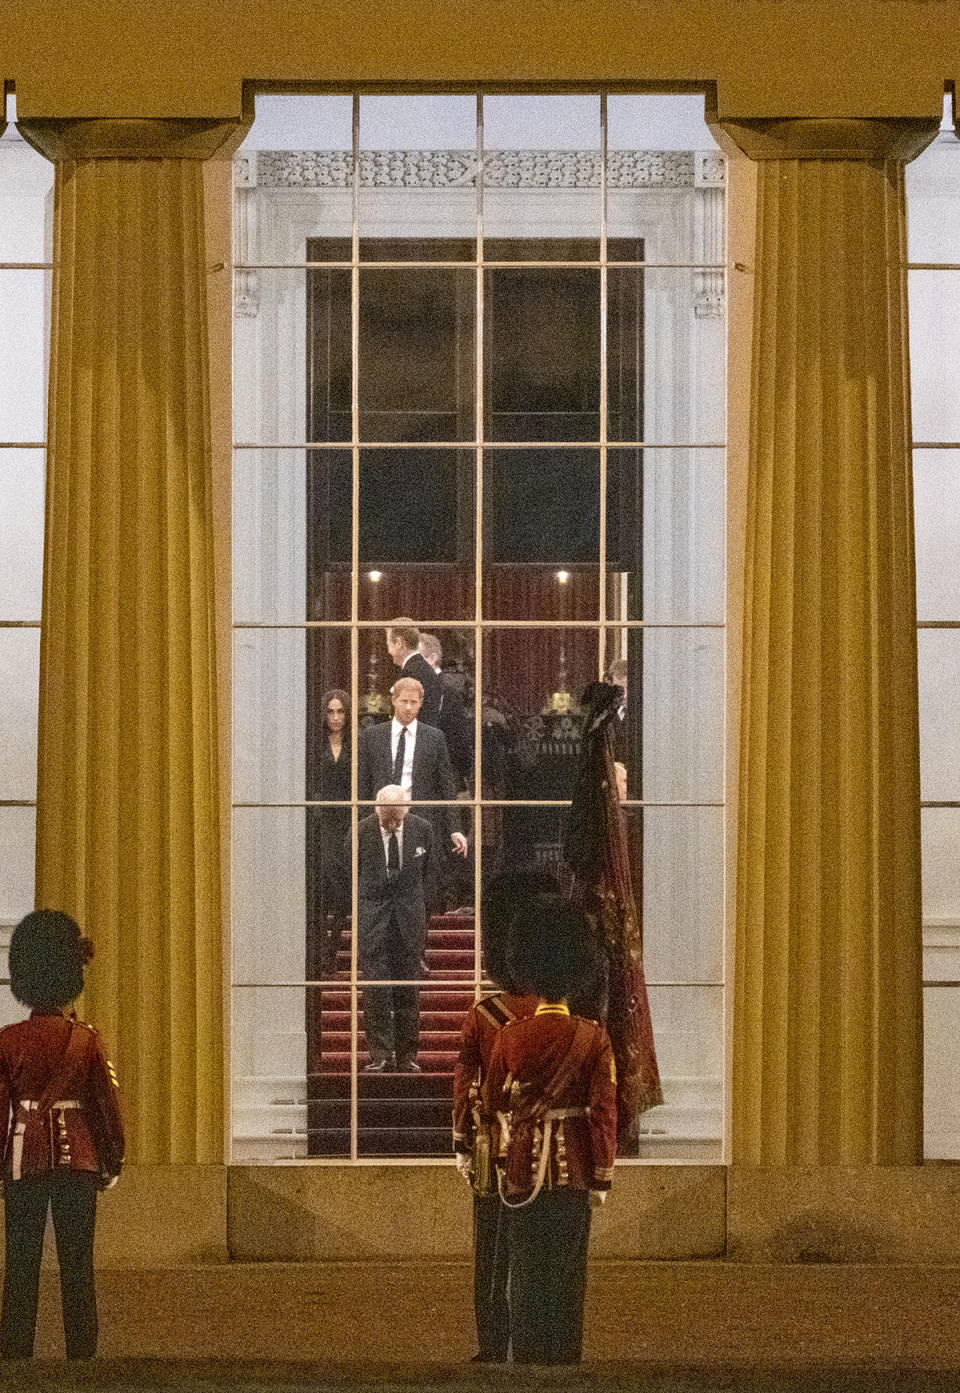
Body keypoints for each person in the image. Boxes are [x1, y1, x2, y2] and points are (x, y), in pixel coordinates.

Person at [482, 895, 616, 1366]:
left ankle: (530, 1351)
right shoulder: (593, 1038)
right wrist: (602, 1175)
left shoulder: (509, 1036)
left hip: (520, 1168)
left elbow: (493, 1100)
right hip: (576, 1169)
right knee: (567, 1270)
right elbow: (603, 1113)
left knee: (527, 1268)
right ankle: (564, 1352)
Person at [0, 910, 124, 1361]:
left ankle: (14, 1355)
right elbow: (106, 1110)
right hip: (80, 1163)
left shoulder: (7, 1041)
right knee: (77, 1267)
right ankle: (82, 1356)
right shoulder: (85, 1040)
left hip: (22, 1160)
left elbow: (0, 1114)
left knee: (20, 1266)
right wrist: (113, 1161)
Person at [452, 869, 559, 1364]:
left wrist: (459, 1138)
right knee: (541, 1253)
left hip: (494, 1149)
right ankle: (537, 1338)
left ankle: (493, 1342)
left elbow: (468, 1086)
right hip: (551, 1154)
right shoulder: (562, 1019)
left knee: (491, 1251)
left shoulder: (484, 1016)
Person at [354, 785, 435, 1073]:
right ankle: (380, 1056)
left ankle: (406, 1056)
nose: (390, 825)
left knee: (407, 992)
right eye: (385, 819)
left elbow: (430, 874)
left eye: (396, 820)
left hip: (408, 921)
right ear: (376, 811)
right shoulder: (360, 832)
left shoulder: (423, 830)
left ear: (406, 810)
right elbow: (348, 875)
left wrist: (419, 911)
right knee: (375, 991)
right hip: (373, 921)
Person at [357, 675, 468, 864]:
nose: (408, 707)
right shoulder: (372, 736)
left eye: (413, 702)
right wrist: (360, 824)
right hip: (380, 821)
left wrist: (454, 828)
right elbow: (362, 782)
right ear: (394, 701)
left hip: (420, 821)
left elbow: (446, 786)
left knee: (418, 881)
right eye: (404, 701)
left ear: (421, 703)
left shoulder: (434, 738)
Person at [309, 688, 352, 975]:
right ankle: (321, 951)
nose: (335, 718)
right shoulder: (314, 745)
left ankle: (332, 950)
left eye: (340, 712)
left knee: (342, 887)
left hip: (347, 821)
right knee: (324, 878)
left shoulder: (355, 744)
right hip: (323, 821)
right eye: (331, 712)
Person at [417, 632, 474, 790]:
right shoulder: (411, 690)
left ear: (432, 658)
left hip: (440, 781)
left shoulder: (448, 695)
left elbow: (460, 744)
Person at [386, 617, 442, 726]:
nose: (388, 651)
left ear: (398, 643)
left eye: (388, 643)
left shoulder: (411, 672)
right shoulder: (422, 668)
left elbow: (406, 717)